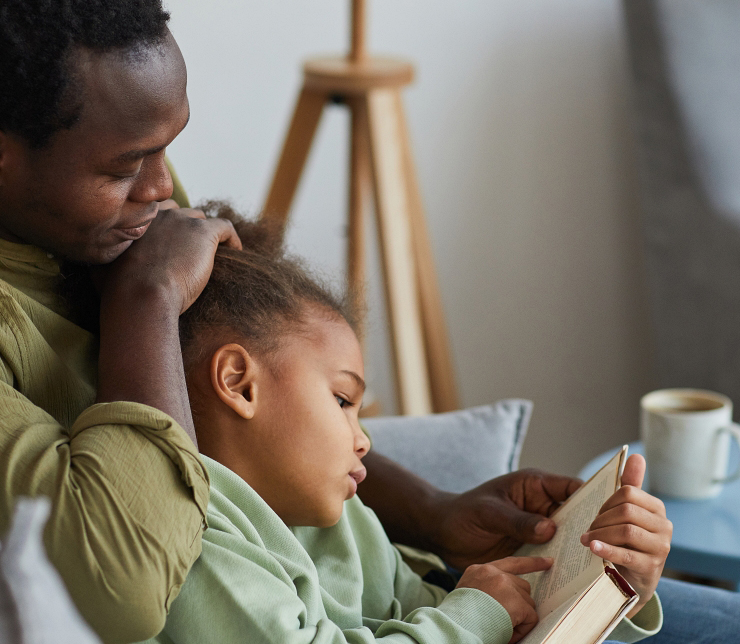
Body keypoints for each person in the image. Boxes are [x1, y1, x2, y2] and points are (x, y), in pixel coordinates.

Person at [0, 0, 740, 643]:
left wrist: (443, 514)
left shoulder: (92, 203)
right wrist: (146, 296)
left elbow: (260, 397)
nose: (164, 191)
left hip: (390, 592)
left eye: (167, 146)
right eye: (127, 166)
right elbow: (117, 581)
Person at [149, 202, 667, 644]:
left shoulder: (343, 520)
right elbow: (458, 623)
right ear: (240, 383)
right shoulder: (198, 540)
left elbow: (438, 610)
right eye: (341, 398)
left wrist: (610, 587)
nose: (363, 440)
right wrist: (473, 617)